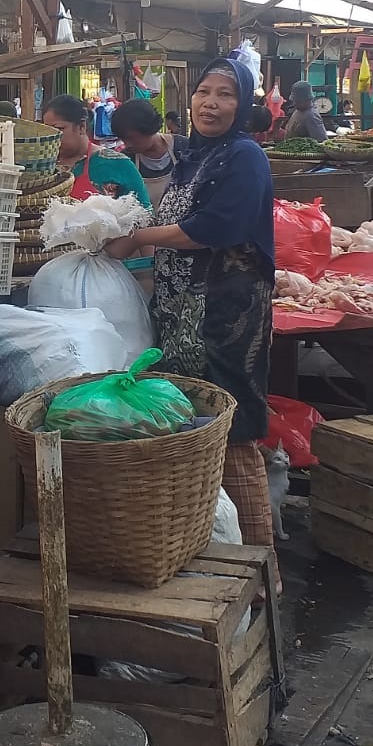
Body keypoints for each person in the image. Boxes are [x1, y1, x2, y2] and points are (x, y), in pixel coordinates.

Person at [104, 57, 278, 557]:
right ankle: (211, 545)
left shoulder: (244, 156)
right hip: (181, 311)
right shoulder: (194, 156)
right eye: (204, 91)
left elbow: (211, 229)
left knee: (235, 428)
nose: (212, 103)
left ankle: (261, 565)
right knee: (193, 425)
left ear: (242, 103)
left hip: (227, 315)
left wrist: (135, 238)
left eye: (226, 94)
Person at [42, 94, 150, 206]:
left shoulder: (117, 164)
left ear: (81, 127)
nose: (52, 137)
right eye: (47, 130)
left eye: (59, 129)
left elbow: (145, 212)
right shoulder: (42, 167)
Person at [109, 98, 177, 204]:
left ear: (148, 128)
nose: (127, 145)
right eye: (123, 139)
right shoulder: (125, 161)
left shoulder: (182, 149)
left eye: (131, 138)